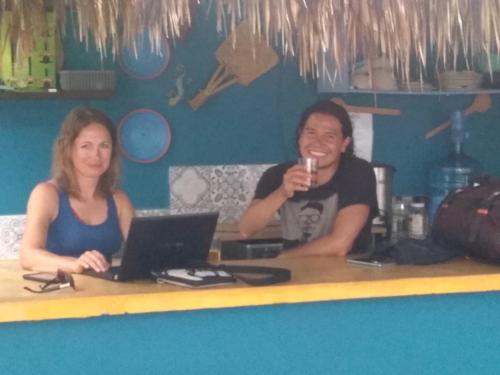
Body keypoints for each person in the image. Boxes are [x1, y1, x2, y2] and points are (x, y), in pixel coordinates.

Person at [239, 100, 378, 257]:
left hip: (347, 277)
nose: (318, 143)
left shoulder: (357, 172)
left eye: (329, 136)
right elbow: (246, 229)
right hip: (296, 275)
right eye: (311, 133)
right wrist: (282, 193)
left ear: (344, 144)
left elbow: (340, 245)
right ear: (300, 137)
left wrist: (285, 258)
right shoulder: (278, 175)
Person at [20, 108, 135, 273]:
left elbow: (143, 252)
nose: (96, 155)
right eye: (85, 146)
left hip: (109, 296)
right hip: (59, 295)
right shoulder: (46, 194)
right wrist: (75, 264)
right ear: (67, 149)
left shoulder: (119, 199)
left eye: (104, 145)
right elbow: (27, 256)